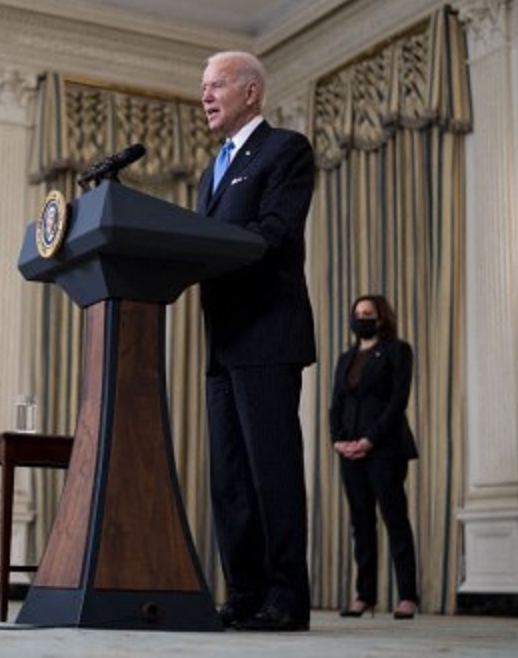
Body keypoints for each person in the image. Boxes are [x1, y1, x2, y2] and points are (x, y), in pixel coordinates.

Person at [196, 50, 316, 632]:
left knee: (272, 470)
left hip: (268, 333)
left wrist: (205, 249)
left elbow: (276, 231)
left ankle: (286, 598)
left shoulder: (285, 149)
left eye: (216, 84)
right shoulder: (210, 171)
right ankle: (245, 593)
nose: (205, 95)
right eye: (203, 86)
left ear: (250, 91)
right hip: (222, 339)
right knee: (230, 478)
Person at [330, 294, 419, 620]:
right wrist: (338, 440)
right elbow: (336, 403)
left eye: (367, 313)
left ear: (381, 318)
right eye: (357, 313)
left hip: (385, 448)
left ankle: (407, 596)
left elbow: (398, 400)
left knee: (395, 520)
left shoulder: (397, 351)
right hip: (350, 451)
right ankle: (364, 596)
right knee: (361, 524)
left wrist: (370, 439)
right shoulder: (346, 358)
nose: (361, 318)